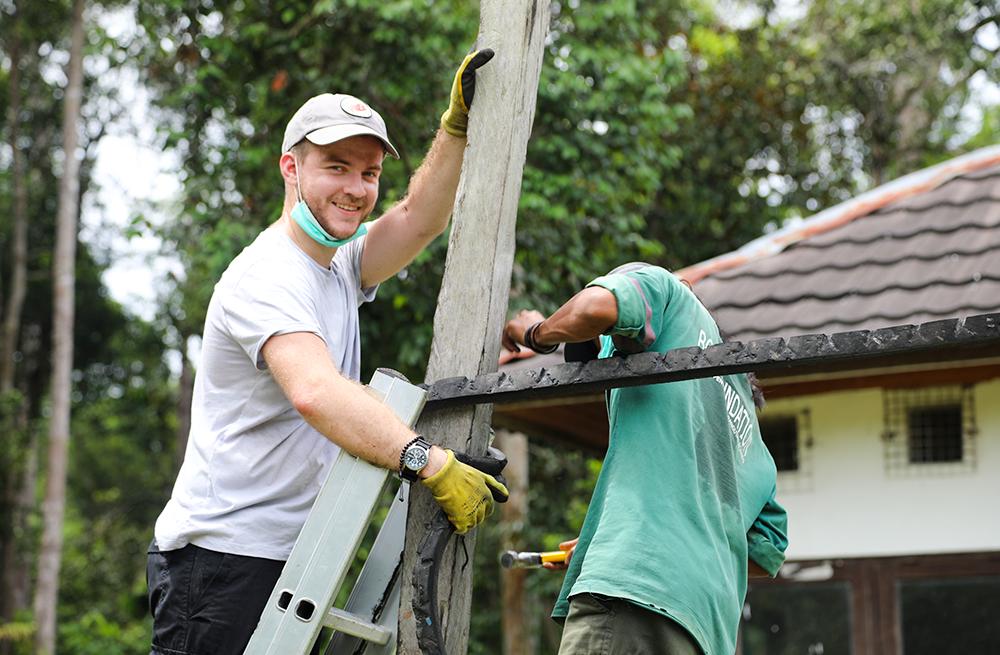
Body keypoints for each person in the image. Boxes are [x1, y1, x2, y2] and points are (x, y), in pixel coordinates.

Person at [147, 49, 508, 655]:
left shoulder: (339, 263)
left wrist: (454, 132)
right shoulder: (268, 274)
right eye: (337, 167)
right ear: (291, 166)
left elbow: (418, 219)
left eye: (368, 174)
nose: (356, 189)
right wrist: (425, 460)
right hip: (220, 559)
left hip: (289, 555)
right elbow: (315, 391)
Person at [501, 262, 788, 655]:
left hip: (632, 594)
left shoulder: (669, 294)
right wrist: (613, 539)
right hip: (706, 630)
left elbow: (593, 310)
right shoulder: (756, 448)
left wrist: (539, 333)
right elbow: (766, 551)